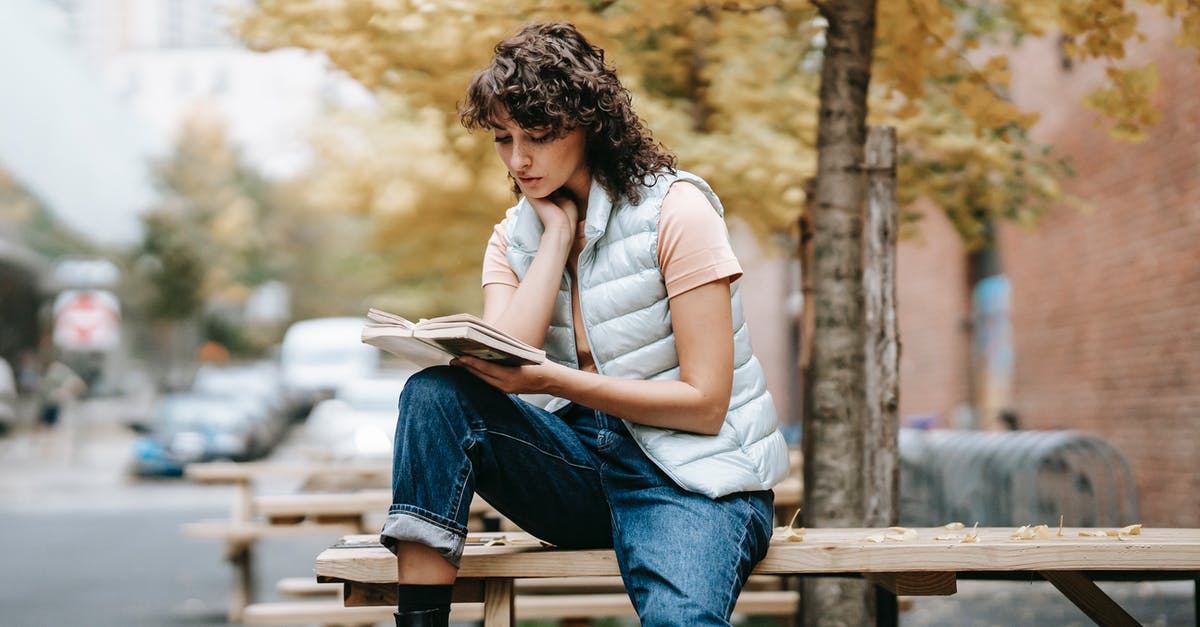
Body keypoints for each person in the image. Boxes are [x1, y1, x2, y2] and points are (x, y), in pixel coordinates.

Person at [383, 22, 789, 626]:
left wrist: (552, 382)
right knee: (434, 396)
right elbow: (508, 353)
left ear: (589, 126)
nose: (518, 160)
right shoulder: (513, 237)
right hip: (577, 472)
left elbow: (705, 405)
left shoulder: (677, 212)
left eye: (538, 136)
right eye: (502, 138)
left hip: (688, 478)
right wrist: (556, 238)